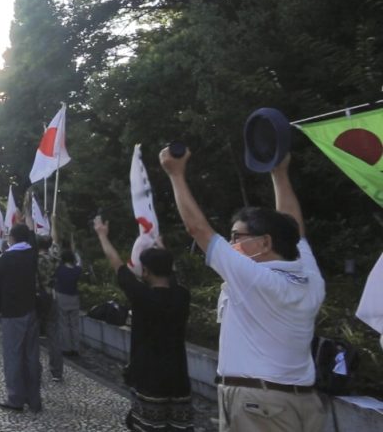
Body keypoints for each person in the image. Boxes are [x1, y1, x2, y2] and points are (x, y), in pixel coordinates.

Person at [161, 149, 325, 432]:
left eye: (238, 237)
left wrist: (175, 174)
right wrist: (279, 174)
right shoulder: (309, 277)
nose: (231, 243)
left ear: (264, 243)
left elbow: (198, 229)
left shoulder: (256, 279)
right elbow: (294, 230)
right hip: (303, 402)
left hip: (258, 406)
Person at [95, 217, 193, 431]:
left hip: (149, 377)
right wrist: (162, 248)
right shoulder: (182, 296)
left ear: (145, 271)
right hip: (179, 377)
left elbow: (117, 264)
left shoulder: (142, 296)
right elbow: (172, 273)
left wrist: (102, 235)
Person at [0, 221, 42, 413]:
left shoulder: (8, 257)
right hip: (31, 310)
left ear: (12, 238)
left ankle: (16, 398)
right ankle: (35, 399)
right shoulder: (32, 254)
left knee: (13, 355)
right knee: (31, 356)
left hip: (13, 312)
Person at [54, 247, 82, 357]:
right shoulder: (77, 270)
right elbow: (80, 263)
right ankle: (76, 348)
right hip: (74, 298)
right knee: (74, 325)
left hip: (62, 297)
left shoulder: (60, 269)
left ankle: (66, 348)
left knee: (64, 324)